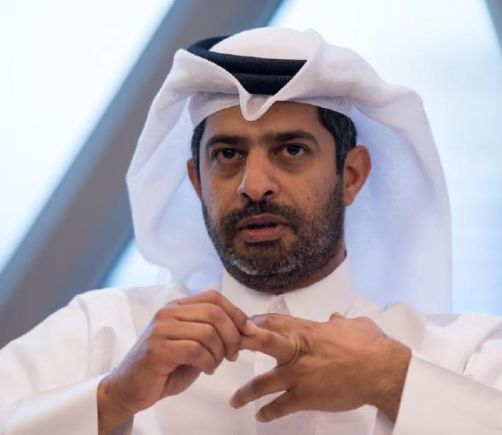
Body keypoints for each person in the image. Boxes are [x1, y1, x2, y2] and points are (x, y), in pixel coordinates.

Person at [1, 27, 501, 435]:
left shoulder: (464, 355)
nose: (254, 184)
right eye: (228, 154)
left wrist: (393, 382)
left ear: (351, 176)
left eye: (291, 150)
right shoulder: (101, 334)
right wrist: (112, 398)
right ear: (196, 181)